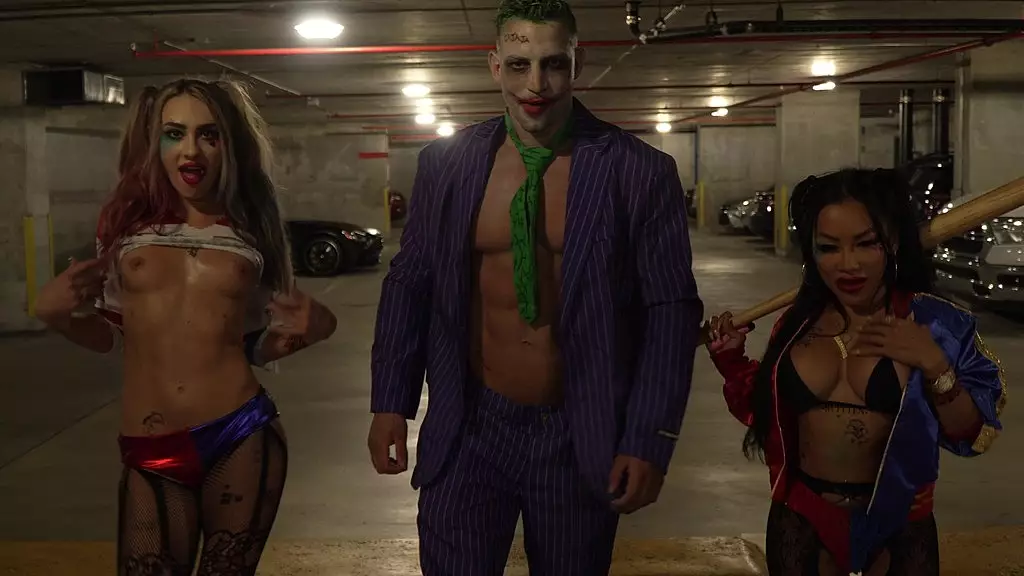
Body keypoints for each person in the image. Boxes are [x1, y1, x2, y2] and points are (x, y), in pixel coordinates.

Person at [367, 0, 703, 574]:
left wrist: (649, 436)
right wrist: (390, 402)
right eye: (520, 65)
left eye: (554, 64)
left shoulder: (637, 170)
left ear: (578, 63)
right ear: (495, 65)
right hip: (469, 424)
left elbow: (669, 311)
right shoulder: (447, 164)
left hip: (578, 430)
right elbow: (411, 282)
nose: (536, 85)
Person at [34, 79, 337, 576]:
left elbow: (255, 346)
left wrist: (316, 329)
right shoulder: (125, 226)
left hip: (241, 434)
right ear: (153, 141)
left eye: (208, 135)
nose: (190, 150)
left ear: (229, 145)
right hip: (150, 447)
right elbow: (114, 336)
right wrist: (57, 316)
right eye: (174, 133)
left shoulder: (251, 228)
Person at [705, 168, 1006, 575]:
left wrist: (935, 365)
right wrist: (732, 361)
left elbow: (971, 433)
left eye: (866, 244)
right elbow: (766, 414)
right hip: (801, 516)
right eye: (829, 248)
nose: (848, 265)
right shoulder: (795, 325)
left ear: (893, 242)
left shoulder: (936, 325)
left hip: (899, 522)